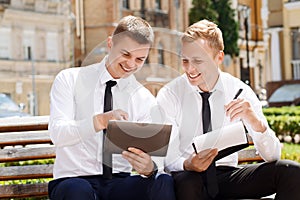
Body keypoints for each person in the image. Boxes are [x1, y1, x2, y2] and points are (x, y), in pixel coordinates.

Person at [156, 19, 300, 200]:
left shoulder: (239, 91)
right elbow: (166, 155)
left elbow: (272, 155)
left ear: (219, 58)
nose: (190, 69)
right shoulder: (170, 94)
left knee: (291, 172)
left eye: (198, 61)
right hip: (187, 175)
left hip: (227, 176)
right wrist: (188, 164)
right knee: (189, 183)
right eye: (185, 60)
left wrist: (256, 123)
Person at [48, 15, 175, 200]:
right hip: (74, 180)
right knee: (78, 190)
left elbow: (154, 152)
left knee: (162, 181)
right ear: (110, 43)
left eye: (140, 59)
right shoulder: (69, 80)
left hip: (118, 182)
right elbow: (57, 135)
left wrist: (149, 167)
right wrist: (100, 121)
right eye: (125, 54)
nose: (131, 64)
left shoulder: (142, 97)